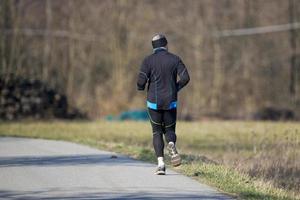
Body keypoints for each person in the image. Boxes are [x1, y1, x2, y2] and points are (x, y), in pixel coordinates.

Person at [137, 34, 190, 175]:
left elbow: (140, 82)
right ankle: (171, 144)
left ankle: (161, 165)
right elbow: (185, 78)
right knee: (170, 130)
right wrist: (176, 87)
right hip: (170, 102)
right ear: (166, 45)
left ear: (153, 47)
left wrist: (141, 87)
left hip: (153, 103)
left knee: (157, 132)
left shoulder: (148, 61)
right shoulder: (175, 59)